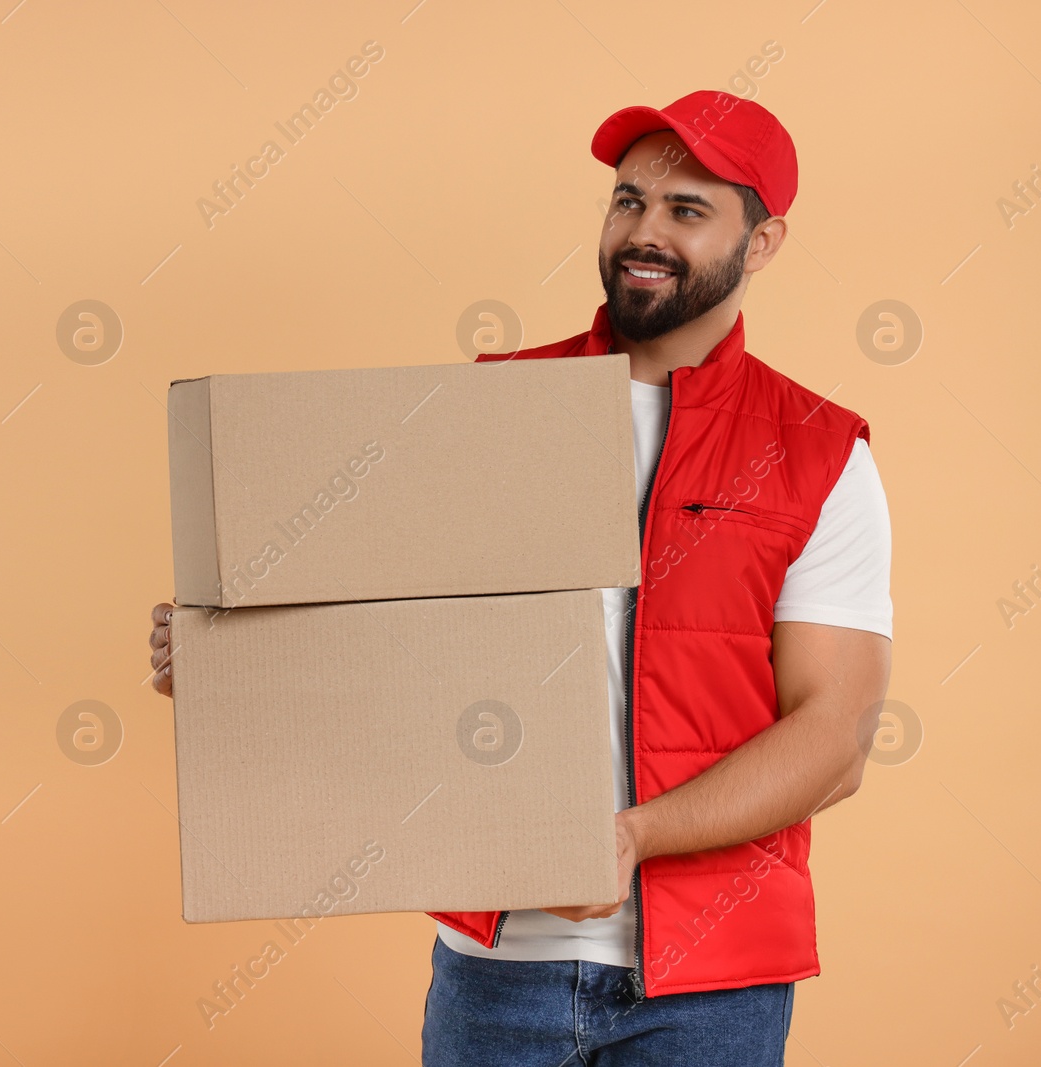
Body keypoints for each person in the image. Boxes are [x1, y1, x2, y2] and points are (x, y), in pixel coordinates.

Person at [148, 89, 892, 1065]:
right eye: (627, 200)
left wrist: (630, 836)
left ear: (762, 243)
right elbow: (389, 655)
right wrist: (228, 660)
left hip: (714, 982)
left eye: (686, 210)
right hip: (492, 970)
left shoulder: (816, 452)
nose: (644, 231)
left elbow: (832, 739)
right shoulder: (488, 407)